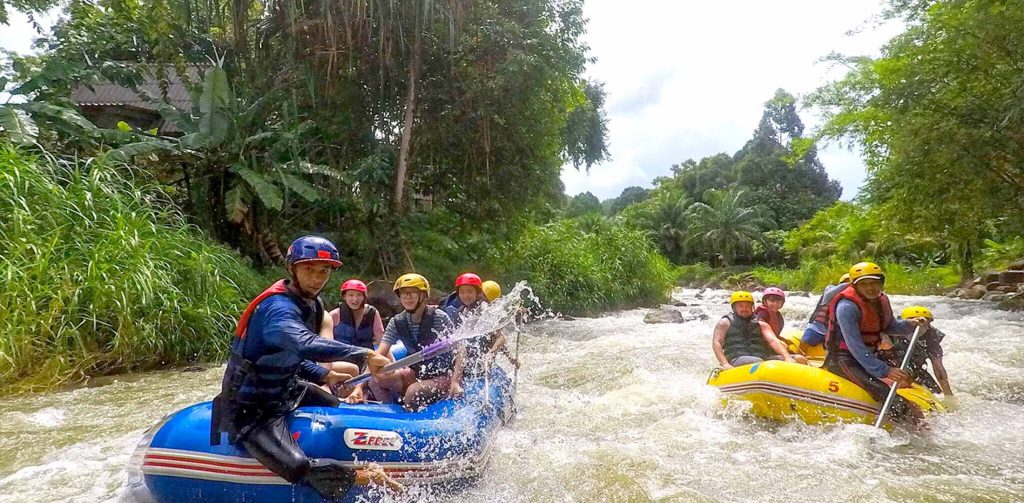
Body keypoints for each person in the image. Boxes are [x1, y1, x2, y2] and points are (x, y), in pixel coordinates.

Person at [210, 235, 400, 501]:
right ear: (293, 269)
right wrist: (364, 354)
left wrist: (325, 374)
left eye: (324, 271)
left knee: (332, 402)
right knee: (296, 466)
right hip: (251, 409)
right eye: (309, 269)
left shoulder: (312, 303)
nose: (317, 277)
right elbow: (301, 342)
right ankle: (363, 477)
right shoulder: (277, 308)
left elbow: (290, 356)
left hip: (285, 390)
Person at [823, 262, 930, 427]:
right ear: (855, 285)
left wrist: (910, 324)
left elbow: (890, 326)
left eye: (874, 283)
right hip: (843, 359)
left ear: (881, 283)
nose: (870, 288)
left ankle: (917, 427)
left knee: (906, 379)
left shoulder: (881, 300)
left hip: (869, 356)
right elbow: (855, 346)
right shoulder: (847, 307)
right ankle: (909, 431)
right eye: (864, 284)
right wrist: (885, 370)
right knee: (887, 395)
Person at [369, 273, 464, 410]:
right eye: (403, 294)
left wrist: (455, 382)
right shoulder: (397, 322)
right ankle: (389, 414)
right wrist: (358, 387)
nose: (407, 297)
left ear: (423, 296)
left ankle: (409, 421)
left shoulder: (438, 317)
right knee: (375, 382)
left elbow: (460, 349)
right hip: (415, 373)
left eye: (412, 293)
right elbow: (378, 355)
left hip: (442, 376)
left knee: (412, 392)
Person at [880, 306, 956, 403]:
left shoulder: (931, 338)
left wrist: (948, 394)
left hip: (916, 370)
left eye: (925, 324)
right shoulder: (891, 331)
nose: (920, 327)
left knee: (936, 392)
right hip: (889, 367)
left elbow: (938, 368)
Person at [327, 279, 386, 403]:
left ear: (364, 296)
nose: (355, 299)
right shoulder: (334, 315)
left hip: (366, 362)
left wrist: (393, 363)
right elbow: (326, 346)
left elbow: (383, 342)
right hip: (342, 362)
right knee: (352, 368)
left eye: (359, 295)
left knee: (375, 368)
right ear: (344, 296)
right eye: (351, 295)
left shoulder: (373, 314)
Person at [712, 291, 796, 369]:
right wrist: (725, 363)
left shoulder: (761, 324)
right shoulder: (725, 323)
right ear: (734, 308)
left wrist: (787, 357)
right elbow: (717, 343)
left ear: (752, 307)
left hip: (762, 358)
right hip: (737, 358)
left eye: (748, 306)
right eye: (740, 306)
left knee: (799, 360)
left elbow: (773, 341)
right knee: (758, 362)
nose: (744, 309)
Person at [801, 273, 851, 346]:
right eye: (847, 282)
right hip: (816, 327)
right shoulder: (830, 288)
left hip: (833, 332)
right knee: (806, 341)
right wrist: (848, 284)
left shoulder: (850, 300)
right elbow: (827, 296)